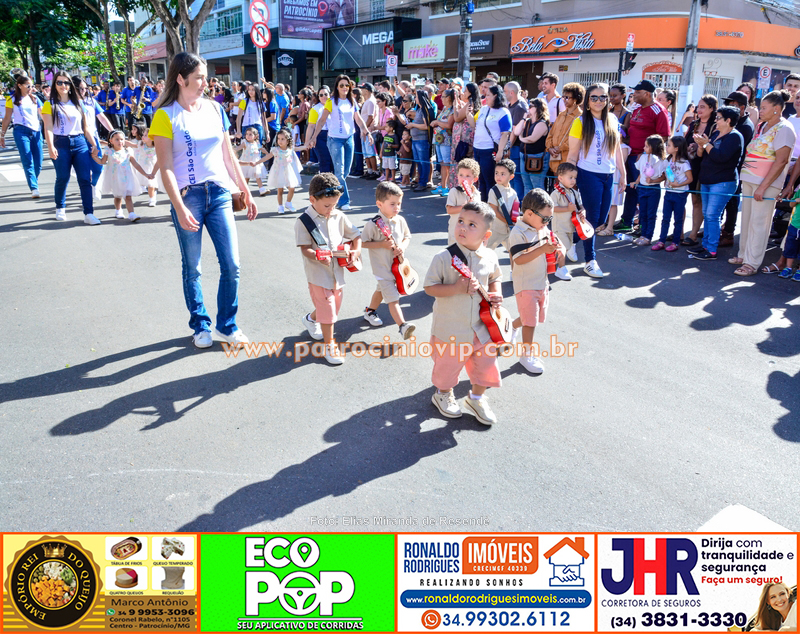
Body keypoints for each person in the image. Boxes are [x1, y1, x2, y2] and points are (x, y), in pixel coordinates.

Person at [150, 51, 258, 349]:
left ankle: (227, 325)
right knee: (193, 267)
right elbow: (167, 168)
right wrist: (179, 206)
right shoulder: (165, 115)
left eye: (205, 76)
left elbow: (228, 154)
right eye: (198, 77)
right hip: (189, 196)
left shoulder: (214, 108)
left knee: (232, 265)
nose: (205, 82)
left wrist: (243, 188)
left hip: (220, 194)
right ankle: (200, 325)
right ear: (180, 79)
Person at [424, 201, 504, 425]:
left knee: (486, 366)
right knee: (447, 368)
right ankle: (442, 393)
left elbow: (496, 277)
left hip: (482, 328)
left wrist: (495, 293)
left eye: (471, 225)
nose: (463, 227)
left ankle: (476, 398)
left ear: (486, 235)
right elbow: (429, 287)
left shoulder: (490, 256)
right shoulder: (443, 257)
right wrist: (455, 289)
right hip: (451, 328)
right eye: (461, 221)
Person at [296, 173, 362, 365]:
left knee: (332, 307)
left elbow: (356, 235)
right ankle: (329, 346)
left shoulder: (339, 216)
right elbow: (304, 248)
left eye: (334, 205)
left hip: (337, 273)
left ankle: (310, 319)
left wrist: (355, 251)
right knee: (329, 310)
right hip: (318, 274)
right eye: (327, 205)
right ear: (312, 199)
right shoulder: (304, 221)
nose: (330, 209)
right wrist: (316, 255)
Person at [731, 90, 795, 276]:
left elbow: (781, 161)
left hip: (765, 184)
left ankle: (752, 263)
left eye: (764, 107)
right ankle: (743, 255)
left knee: (759, 223)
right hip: (750, 180)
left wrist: (763, 186)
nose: (761, 110)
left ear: (776, 109)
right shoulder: (762, 126)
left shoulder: (785, 129)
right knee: (747, 221)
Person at [566, 83, 626, 278]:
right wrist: (569, 178)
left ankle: (570, 240)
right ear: (588, 101)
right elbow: (573, 155)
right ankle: (590, 261)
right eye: (594, 97)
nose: (599, 101)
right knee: (591, 218)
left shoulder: (613, 119)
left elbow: (616, 150)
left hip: (608, 175)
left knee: (600, 220)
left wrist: (622, 174)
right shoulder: (580, 122)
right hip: (587, 173)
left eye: (603, 97)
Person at [509, 189, 565, 374]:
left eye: (549, 219)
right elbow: (518, 259)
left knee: (532, 317)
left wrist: (560, 250)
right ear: (529, 214)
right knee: (531, 322)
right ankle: (526, 355)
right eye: (545, 219)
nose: (547, 222)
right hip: (526, 285)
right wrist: (542, 250)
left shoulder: (542, 228)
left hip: (542, 282)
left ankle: (511, 326)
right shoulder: (518, 233)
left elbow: (554, 240)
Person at [307, 75, 374, 210]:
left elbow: (359, 119)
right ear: (337, 87)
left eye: (346, 85)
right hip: (334, 139)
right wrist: (313, 137)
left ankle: (332, 194)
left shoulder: (352, 101)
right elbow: (321, 120)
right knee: (339, 171)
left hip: (349, 138)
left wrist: (367, 132)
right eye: (341, 85)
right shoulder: (331, 101)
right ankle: (344, 201)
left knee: (345, 172)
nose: (344, 88)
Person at [687, 106, 744, 261]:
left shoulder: (734, 137)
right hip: (707, 180)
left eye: (719, 117)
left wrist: (706, 144)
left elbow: (721, 157)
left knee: (713, 215)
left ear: (728, 120)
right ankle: (705, 245)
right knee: (708, 215)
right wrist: (700, 145)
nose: (716, 120)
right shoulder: (716, 133)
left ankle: (711, 249)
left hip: (723, 182)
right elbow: (701, 155)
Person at [361, 181, 416, 338]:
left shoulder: (400, 220)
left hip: (397, 268)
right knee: (393, 298)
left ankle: (369, 311)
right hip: (382, 268)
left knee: (381, 290)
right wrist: (381, 245)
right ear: (379, 203)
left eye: (399, 203)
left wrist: (403, 247)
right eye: (392, 204)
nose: (397, 207)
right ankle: (402, 326)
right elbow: (362, 243)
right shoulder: (373, 224)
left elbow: (407, 236)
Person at [42, 70, 99, 223]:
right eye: (59, 82)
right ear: (55, 85)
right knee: (63, 177)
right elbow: (48, 128)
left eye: (66, 82)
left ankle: (89, 213)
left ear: (70, 85)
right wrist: (50, 146)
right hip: (60, 143)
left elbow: (86, 128)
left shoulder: (78, 103)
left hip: (80, 142)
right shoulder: (50, 104)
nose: (63, 85)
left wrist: (94, 144)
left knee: (85, 179)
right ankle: (60, 207)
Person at [618, 80, 670, 233]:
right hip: (630, 154)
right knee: (631, 189)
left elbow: (664, 136)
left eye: (637, 92)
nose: (633, 95)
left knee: (643, 192)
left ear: (647, 94)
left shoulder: (658, 110)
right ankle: (626, 221)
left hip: (644, 159)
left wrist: (648, 155)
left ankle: (642, 226)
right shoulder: (636, 107)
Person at [720, 91, 756, 247]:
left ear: (742, 107)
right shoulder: (730, 121)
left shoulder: (746, 126)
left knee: (732, 203)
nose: (729, 107)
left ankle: (728, 233)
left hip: (736, 171)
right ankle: (718, 229)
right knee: (723, 201)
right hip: (723, 169)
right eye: (728, 104)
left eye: (733, 104)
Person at [681, 94, 718, 247]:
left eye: (703, 106)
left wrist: (701, 147)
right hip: (690, 165)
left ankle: (694, 233)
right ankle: (680, 232)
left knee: (698, 201)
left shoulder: (715, 125)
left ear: (712, 108)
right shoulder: (694, 124)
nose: (699, 109)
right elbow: (685, 141)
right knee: (685, 198)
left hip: (705, 166)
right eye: (698, 106)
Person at [91, 129, 151, 221]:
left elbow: (135, 164)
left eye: (122, 139)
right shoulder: (109, 151)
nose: (120, 142)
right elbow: (102, 162)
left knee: (128, 196)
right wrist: (95, 157)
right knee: (117, 196)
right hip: (115, 178)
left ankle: (131, 214)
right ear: (111, 141)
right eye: (117, 139)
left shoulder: (128, 151)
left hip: (127, 177)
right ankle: (118, 210)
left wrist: (146, 174)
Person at [0, 74, 43, 198]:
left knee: (38, 161)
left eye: (32, 86)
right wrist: (2, 135)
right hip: (21, 131)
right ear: (19, 85)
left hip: (36, 131)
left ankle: (33, 179)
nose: (31, 88)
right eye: (28, 86)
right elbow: (7, 117)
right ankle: (34, 187)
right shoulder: (11, 99)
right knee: (27, 159)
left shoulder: (35, 98)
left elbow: (44, 115)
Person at [652, 135, 692, 252]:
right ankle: (661, 241)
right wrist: (665, 180)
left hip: (680, 194)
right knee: (665, 218)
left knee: (678, 219)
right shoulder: (668, 161)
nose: (666, 147)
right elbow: (666, 174)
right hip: (668, 193)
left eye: (669, 145)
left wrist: (678, 185)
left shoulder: (684, 163)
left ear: (677, 148)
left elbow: (690, 179)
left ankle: (675, 242)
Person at [73, 75, 114, 188]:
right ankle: (87, 190)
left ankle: (92, 186)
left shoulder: (91, 101)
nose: (84, 91)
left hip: (93, 137)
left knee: (98, 168)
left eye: (86, 88)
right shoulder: (70, 103)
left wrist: (113, 132)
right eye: (81, 88)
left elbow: (102, 118)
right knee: (84, 169)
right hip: (79, 138)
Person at [473, 85, 512, 201]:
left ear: (496, 96)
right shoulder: (484, 109)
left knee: (489, 179)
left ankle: (491, 205)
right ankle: (482, 203)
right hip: (477, 148)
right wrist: (467, 113)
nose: (486, 97)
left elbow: (505, 133)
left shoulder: (503, 112)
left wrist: (500, 152)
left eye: (489, 95)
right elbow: (474, 124)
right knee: (480, 178)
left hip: (489, 149)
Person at [550, 162, 586, 279]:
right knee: (563, 248)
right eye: (570, 177)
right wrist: (567, 208)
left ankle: (549, 263)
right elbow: (552, 208)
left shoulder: (575, 193)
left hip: (570, 226)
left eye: (574, 178)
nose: (573, 180)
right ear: (560, 178)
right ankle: (561, 269)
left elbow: (581, 206)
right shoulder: (555, 193)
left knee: (565, 246)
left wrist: (583, 212)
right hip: (559, 226)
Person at [631, 134, 667, 246]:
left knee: (651, 214)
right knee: (643, 213)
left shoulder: (661, 161)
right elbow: (641, 172)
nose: (644, 148)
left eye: (646, 146)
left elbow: (665, 176)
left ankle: (648, 237)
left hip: (653, 189)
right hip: (642, 188)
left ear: (654, 147)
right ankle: (643, 235)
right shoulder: (642, 157)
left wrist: (653, 181)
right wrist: (636, 182)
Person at [259, 127, 303, 214]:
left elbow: (301, 148)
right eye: (278, 139)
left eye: (282, 139)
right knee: (280, 190)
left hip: (288, 172)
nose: (280, 141)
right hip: (278, 172)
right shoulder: (275, 150)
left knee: (292, 188)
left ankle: (288, 203)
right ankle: (280, 206)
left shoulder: (290, 149)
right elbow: (267, 157)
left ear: (287, 140)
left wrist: (308, 145)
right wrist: (257, 162)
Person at [545, 82, 584, 176]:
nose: (564, 100)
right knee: (557, 188)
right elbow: (551, 133)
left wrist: (560, 148)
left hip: (569, 161)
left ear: (576, 98)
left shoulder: (581, 117)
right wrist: (550, 148)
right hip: (555, 161)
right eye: (563, 97)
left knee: (570, 188)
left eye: (567, 97)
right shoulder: (561, 115)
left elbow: (577, 140)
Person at [513, 97, 549, 195]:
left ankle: (540, 208)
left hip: (536, 157)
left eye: (531, 106)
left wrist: (521, 139)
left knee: (537, 186)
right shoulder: (528, 121)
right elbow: (516, 131)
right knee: (527, 185)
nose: (528, 108)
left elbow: (532, 139)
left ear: (538, 108)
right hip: (524, 155)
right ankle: (528, 207)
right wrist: (524, 118)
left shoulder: (542, 123)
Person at [447, 82, 479, 190]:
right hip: (466, 138)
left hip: (463, 139)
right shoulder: (472, 103)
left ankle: (459, 189)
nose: (463, 92)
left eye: (465, 90)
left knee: (460, 162)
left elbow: (457, 118)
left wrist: (456, 105)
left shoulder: (470, 103)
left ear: (470, 92)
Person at [405, 89, 436, 193]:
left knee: (424, 162)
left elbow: (426, 126)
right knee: (419, 162)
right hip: (416, 140)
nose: (415, 99)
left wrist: (413, 125)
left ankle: (423, 183)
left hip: (422, 140)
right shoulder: (419, 109)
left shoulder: (425, 110)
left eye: (417, 97)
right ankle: (420, 181)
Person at [487, 158, 520, 252]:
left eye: (502, 174)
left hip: (508, 230)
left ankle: (515, 267)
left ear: (511, 176)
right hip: (495, 228)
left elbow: (516, 210)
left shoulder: (513, 193)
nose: (498, 176)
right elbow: (494, 210)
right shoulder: (494, 191)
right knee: (486, 251)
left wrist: (514, 222)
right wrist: (507, 221)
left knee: (515, 252)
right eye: (496, 173)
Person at [446, 158, 482, 243]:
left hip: (470, 234)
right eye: (461, 175)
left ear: (475, 179)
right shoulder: (454, 192)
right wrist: (465, 206)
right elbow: (449, 210)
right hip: (456, 233)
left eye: (468, 176)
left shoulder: (477, 194)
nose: (464, 178)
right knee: (455, 255)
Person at [504, 81, 528, 201]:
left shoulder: (519, 107)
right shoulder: (511, 105)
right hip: (511, 147)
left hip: (516, 147)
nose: (503, 94)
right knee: (512, 177)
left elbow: (514, 132)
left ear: (512, 92)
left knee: (517, 177)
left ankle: (517, 203)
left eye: (505, 91)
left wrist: (507, 147)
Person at [431, 88, 455, 196]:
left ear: (449, 98)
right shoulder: (445, 109)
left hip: (446, 140)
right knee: (442, 163)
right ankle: (443, 185)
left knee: (447, 164)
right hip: (439, 140)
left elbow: (448, 125)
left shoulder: (452, 110)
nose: (441, 98)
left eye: (443, 96)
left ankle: (448, 186)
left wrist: (437, 122)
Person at [131, 123, 160, 207]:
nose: (143, 136)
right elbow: (133, 145)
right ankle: (152, 193)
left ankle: (152, 199)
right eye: (143, 135)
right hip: (143, 167)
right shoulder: (141, 144)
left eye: (146, 135)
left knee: (151, 184)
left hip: (153, 167)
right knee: (145, 183)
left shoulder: (156, 147)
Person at [306, 87, 333, 174]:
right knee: (325, 160)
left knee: (334, 160)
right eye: (321, 95)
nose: (324, 96)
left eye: (326, 94)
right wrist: (307, 141)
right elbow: (311, 126)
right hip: (320, 135)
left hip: (334, 135)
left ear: (329, 95)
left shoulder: (335, 105)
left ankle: (334, 183)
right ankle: (325, 183)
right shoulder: (315, 109)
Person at [238, 126, 269, 196]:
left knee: (257, 175)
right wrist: (234, 149)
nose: (248, 136)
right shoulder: (245, 142)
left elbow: (261, 148)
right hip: (246, 163)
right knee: (246, 178)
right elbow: (239, 147)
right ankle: (242, 191)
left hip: (255, 163)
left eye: (250, 134)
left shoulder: (256, 143)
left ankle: (262, 190)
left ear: (255, 136)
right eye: (247, 134)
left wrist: (268, 154)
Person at [778, 189, 800, 280]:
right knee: (790, 247)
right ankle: (788, 268)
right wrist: (796, 200)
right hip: (795, 225)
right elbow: (791, 204)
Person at [380, 118, 399, 184]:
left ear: (391, 128)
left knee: (392, 167)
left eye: (386, 127)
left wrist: (391, 146)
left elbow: (397, 145)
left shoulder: (394, 136)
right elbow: (383, 144)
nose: (385, 128)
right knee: (386, 167)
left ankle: (393, 178)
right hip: (385, 154)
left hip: (391, 155)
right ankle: (386, 178)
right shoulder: (385, 135)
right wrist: (381, 152)